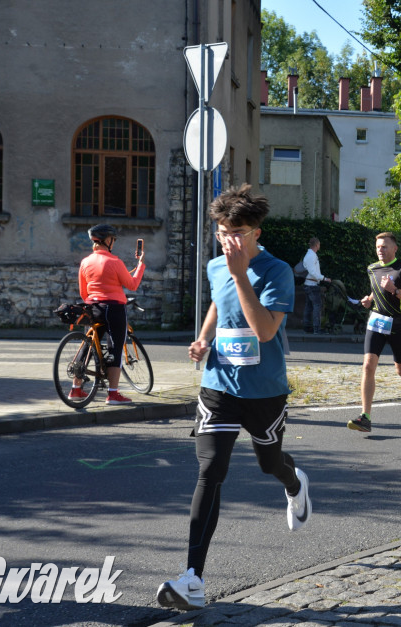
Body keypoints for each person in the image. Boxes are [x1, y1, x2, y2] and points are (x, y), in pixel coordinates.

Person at [157, 185, 310, 611]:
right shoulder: (215, 266)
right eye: (223, 232)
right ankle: (193, 579)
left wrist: (241, 274)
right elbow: (217, 303)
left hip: (264, 390)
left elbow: (265, 331)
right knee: (211, 470)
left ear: (256, 232)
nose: (229, 241)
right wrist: (204, 338)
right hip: (219, 384)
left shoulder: (277, 271)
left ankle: (295, 483)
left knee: (269, 463)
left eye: (238, 233)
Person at [348, 232, 401, 433]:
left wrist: (395, 290)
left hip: (398, 325)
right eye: (378, 247)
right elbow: (377, 289)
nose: (380, 250)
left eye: (384, 246)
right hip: (376, 322)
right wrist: (369, 299)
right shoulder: (372, 268)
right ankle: (365, 417)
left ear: (394, 248)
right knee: (368, 366)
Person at [73, 224, 146, 405]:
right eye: (113, 239)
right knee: (115, 348)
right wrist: (140, 265)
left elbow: (83, 292)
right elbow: (132, 285)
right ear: (107, 240)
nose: (113, 242)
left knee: (87, 346)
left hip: (93, 307)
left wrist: (94, 300)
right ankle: (113, 394)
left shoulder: (85, 262)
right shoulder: (115, 262)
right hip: (114, 309)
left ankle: (75, 389)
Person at [296, 237, 331, 334]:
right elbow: (312, 272)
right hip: (312, 285)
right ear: (316, 245)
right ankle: (317, 329)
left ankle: (307, 327)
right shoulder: (311, 256)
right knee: (317, 306)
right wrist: (324, 278)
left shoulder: (310, 255)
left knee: (309, 306)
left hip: (309, 284)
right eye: (319, 244)